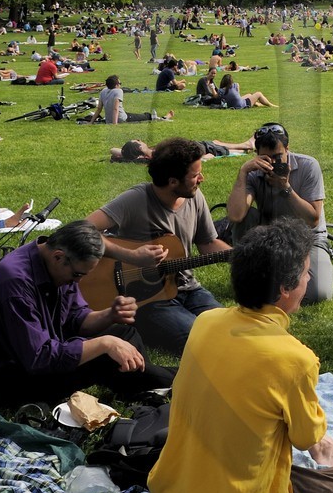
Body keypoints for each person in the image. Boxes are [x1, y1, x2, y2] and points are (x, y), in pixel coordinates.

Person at [147, 221, 333, 493]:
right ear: (284, 289)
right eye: (305, 273)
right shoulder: (294, 359)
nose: (309, 280)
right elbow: (308, 440)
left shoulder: (205, 322)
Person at [0, 220, 174, 408]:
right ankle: (174, 380)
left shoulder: (56, 265)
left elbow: (75, 319)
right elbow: (40, 358)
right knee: (105, 353)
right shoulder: (14, 282)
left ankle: (143, 385)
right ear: (59, 257)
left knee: (124, 334)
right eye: (77, 275)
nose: (78, 281)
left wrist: (110, 315)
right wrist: (105, 343)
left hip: (40, 354)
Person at [86, 138, 231, 355]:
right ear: (173, 181)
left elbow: (208, 243)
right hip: (147, 299)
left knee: (231, 331)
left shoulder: (194, 197)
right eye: (195, 175)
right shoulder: (137, 199)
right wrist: (131, 255)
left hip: (188, 288)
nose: (202, 178)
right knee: (201, 342)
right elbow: (81, 230)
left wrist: (240, 254)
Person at [225, 122, 333, 304]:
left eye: (278, 157)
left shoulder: (308, 166)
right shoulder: (253, 172)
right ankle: (250, 275)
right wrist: (243, 172)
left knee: (318, 293)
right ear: (257, 155)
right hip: (271, 236)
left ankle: (267, 282)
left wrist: (285, 188)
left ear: (288, 149)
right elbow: (236, 215)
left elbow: (313, 220)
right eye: (266, 158)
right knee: (246, 217)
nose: (273, 164)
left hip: (307, 237)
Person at [97, 75, 171, 124]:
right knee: (145, 116)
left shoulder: (103, 91)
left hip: (108, 120)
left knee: (129, 114)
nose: (120, 85)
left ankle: (160, 117)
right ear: (116, 85)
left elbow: (99, 109)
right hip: (121, 119)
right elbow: (115, 109)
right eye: (120, 83)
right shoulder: (118, 91)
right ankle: (160, 117)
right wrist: (115, 124)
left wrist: (91, 122)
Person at [112, 137, 255, 162]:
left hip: (198, 146)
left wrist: (126, 155)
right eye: (138, 141)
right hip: (201, 150)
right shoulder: (159, 154)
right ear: (139, 148)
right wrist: (204, 158)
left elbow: (113, 150)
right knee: (225, 149)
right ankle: (247, 145)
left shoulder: (149, 156)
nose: (140, 140)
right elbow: (183, 158)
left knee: (216, 142)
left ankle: (246, 145)